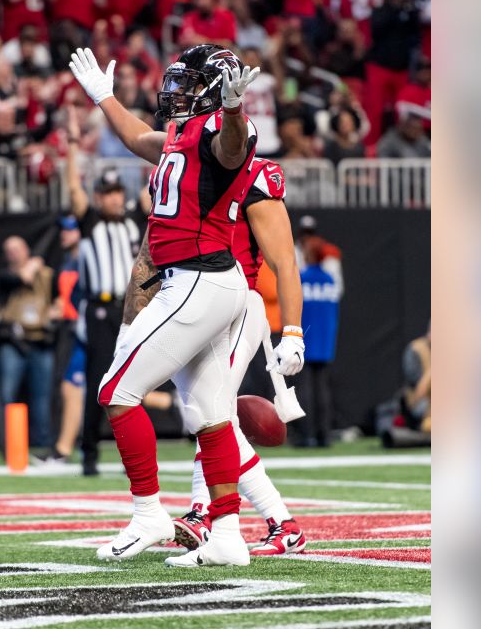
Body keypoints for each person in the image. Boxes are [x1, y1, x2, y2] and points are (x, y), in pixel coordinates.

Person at [69, 43, 299, 568]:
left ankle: (149, 513)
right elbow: (134, 137)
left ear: (217, 92)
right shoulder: (180, 134)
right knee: (211, 413)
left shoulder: (223, 134)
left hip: (201, 278)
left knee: (116, 390)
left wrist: (236, 109)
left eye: (191, 85)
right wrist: (104, 97)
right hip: (201, 281)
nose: (177, 93)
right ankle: (226, 534)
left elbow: (233, 146)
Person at [116, 154, 309, 556]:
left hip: (237, 301)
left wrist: (292, 331)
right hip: (189, 301)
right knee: (203, 412)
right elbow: (148, 259)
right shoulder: (180, 171)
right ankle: (264, 521)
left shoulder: (254, 173)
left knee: (213, 411)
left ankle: (227, 516)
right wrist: (128, 325)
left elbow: (285, 261)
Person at [62, 106, 144, 476]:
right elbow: (73, 188)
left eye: (116, 192)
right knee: (100, 380)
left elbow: (156, 183)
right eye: (107, 193)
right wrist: (74, 144)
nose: (113, 198)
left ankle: (135, 455)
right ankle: (90, 453)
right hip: (98, 310)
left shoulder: (132, 221)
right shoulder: (91, 220)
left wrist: (174, 135)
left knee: (134, 382)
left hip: (130, 312)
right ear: (99, 197)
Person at [0, 236, 56, 449]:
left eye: (17, 249)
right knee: (7, 394)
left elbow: (58, 299)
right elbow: (23, 278)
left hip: (40, 340)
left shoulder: (47, 275)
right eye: (9, 250)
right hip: (14, 342)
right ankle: (7, 442)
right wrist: (33, 264)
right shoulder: (5, 276)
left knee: (42, 397)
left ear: (27, 249)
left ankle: (43, 442)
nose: (14, 254)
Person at [41, 215, 86, 465]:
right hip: (73, 329)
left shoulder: (87, 258)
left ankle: (64, 449)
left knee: (119, 389)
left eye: (69, 230)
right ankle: (64, 448)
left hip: (91, 328)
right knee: (71, 387)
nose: (64, 235)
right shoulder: (68, 261)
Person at [295, 232, 342, 447]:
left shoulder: (301, 278)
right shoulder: (330, 280)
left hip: (305, 340)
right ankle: (324, 434)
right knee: (323, 389)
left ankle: (307, 435)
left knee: (305, 389)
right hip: (325, 341)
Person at [363, 0, 420, 148]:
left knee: (401, 112)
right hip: (379, 66)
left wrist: (407, 7)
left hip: (400, 69)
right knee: (375, 111)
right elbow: (378, 29)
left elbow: (415, 30)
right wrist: (396, 9)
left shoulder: (408, 11)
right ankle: (370, 148)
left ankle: (401, 147)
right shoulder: (379, 11)